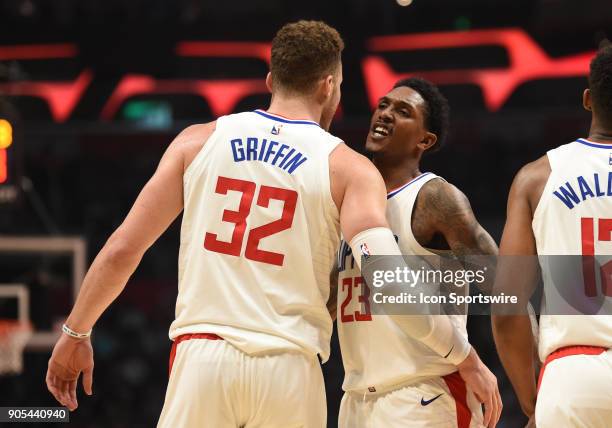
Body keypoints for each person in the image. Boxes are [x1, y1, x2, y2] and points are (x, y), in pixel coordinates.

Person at [46, 20, 498, 428]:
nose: (380, 114)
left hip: (206, 355)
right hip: (293, 368)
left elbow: (125, 247)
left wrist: (76, 331)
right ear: (328, 86)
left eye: (401, 112)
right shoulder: (348, 169)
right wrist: (470, 354)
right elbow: (388, 280)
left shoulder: (197, 141)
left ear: (270, 79)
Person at [333, 78, 501, 428]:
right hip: (358, 398)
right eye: (383, 105)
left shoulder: (435, 197)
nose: (387, 114)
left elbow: (507, 285)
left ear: (425, 140)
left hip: (426, 392)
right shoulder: (347, 205)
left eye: (403, 111)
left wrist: (537, 383)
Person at [491, 43, 612, 427]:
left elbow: (507, 306)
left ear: (588, 99)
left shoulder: (536, 177)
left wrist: (533, 401)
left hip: (572, 377)